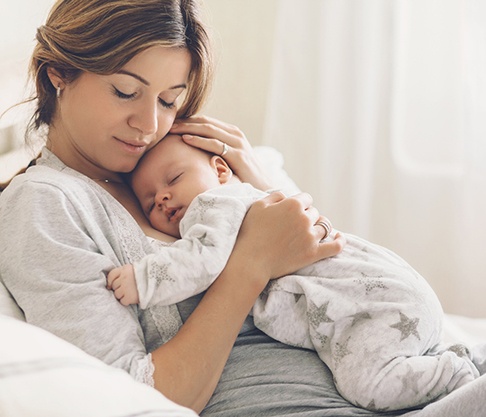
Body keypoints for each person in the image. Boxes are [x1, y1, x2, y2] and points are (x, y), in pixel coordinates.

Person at [1, 1, 486, 416]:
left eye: (170, 100)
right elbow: (131, 395)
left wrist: (260, 182)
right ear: (59, 73)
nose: (147, 123)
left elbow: (327, 267)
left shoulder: (163, 159)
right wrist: (251, 262)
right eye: (125, 91)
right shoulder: (44, 205)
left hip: (397, 368)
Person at [107, 134, 481, 411]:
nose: (163, 198)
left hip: (370, 303)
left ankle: (455, 374)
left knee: (369, 383)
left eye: (172, 180)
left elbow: (198, 262)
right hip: (386, 296)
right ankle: (461, 360)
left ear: (221, 170)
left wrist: (144, 279)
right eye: (150, 201)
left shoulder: (215, 206)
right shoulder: (256, 202)